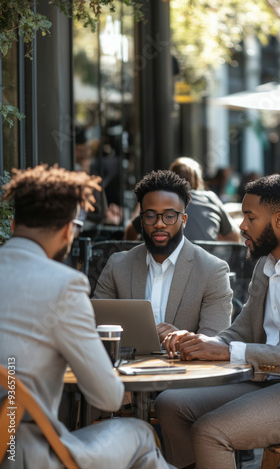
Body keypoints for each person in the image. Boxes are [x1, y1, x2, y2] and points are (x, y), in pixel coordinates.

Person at [0, 164, 174, 469]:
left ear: (13, 225)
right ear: (69, 230)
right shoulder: (63, 285)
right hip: (21, 453)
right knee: (141, 434)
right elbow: (107, 398)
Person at [155, 174, 280, 469]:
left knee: (211, 431)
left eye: (250, 217)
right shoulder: (266, 263)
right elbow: (242, 330)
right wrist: (201, 342)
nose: (241, 226)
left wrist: (231, 352)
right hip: (263, 380)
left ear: (279, 220)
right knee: (170, 404)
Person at [94, 169, 233, 342]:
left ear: (184, 220)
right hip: (126, 366)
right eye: (151, 216)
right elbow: (94, 328)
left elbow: (215, 342)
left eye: (169, 216)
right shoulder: (118, 265)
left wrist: (181, 340)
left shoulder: (212, 271)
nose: (160, 224)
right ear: (142, 220)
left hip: (188, 368)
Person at [124, 157, 240, 242]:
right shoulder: (211, 199)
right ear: (198, 181)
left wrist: (140, 207)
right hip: (204, 268)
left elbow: (129, 235)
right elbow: (235, 237)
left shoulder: (161, 202)